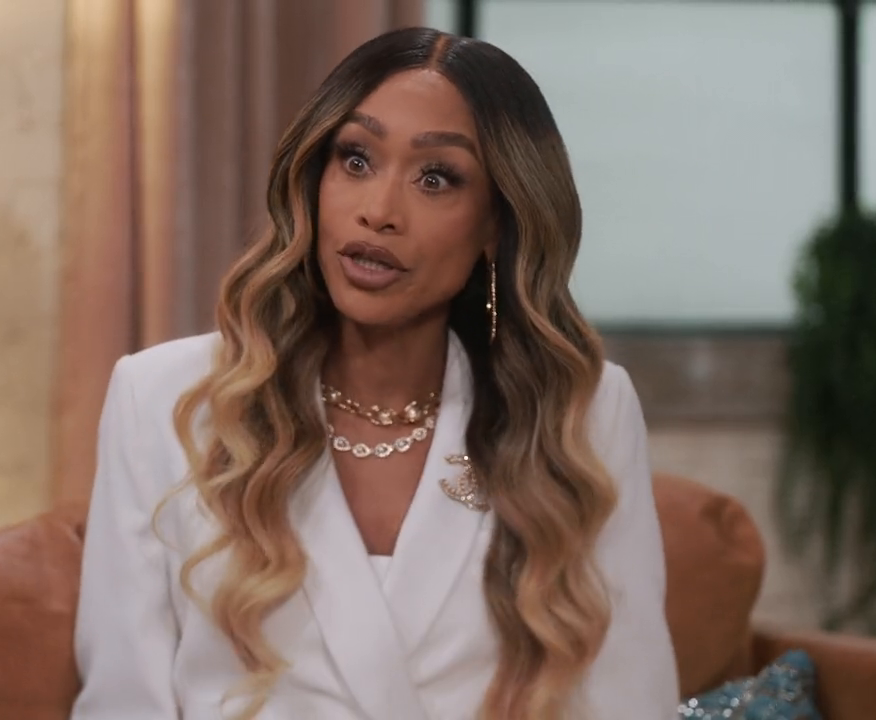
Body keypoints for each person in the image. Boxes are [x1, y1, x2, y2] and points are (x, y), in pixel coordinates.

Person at [71, 26, 678, 720]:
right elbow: (124, 701)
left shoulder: (581, 412)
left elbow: (630, 698)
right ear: (313, 179)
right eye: (356, 159)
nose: (379, 212)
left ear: (496, 224)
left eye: (435, 178)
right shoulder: (162, 398)